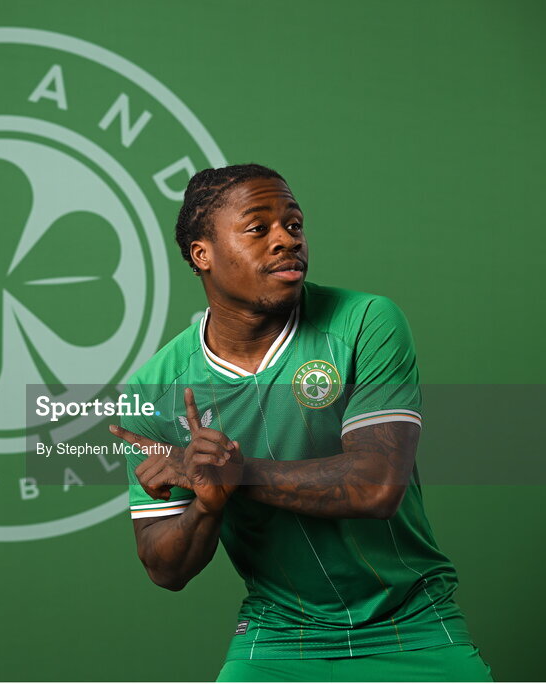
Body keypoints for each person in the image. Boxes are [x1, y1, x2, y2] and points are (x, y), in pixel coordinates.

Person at [109, 164, 493, 682]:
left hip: (413, 623)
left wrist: (237, 476)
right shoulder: (154, 389)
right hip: (280, 633)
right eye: (258, 228)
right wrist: (206, 504)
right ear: (202, 254)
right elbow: (165, 568)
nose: (286, 240)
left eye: (293, 224)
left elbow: (376, 485)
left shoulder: (365, 322)